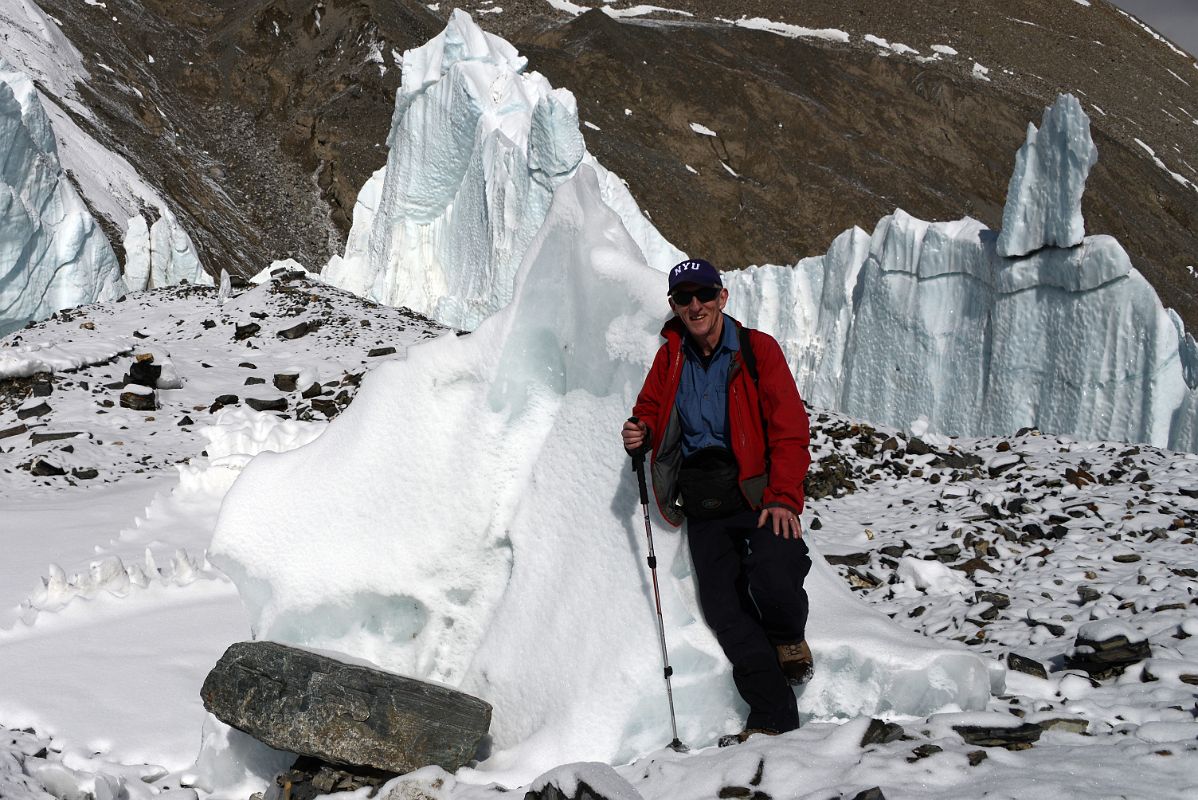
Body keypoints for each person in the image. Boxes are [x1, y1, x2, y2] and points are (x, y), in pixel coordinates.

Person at [622, 257, 813, 745]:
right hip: (705, 499)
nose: (695, 305)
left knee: (775, 569)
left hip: (757, 491)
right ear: (674, 305)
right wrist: (638, 429)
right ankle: (773, 715)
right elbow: (649, 406)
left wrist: (784, 498)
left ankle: (789, 636)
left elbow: (790, 427)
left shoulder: (756, 350)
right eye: (683, 298)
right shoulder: (672, 356)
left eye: (704, 294)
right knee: (724, 608)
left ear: (722, 298)